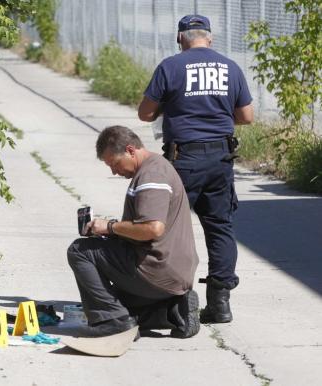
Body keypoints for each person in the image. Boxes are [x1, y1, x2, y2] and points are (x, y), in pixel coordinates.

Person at [138, 14, 254, 324]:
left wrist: (172, 104)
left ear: (180, 39)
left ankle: (169, 301)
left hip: (183, 159)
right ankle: (220, 302)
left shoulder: (170, 67)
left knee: (168, 229)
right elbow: (246, 116)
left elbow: (145, 114)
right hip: (220, 159)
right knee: (220, 228)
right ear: (210, 38)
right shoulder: (230, 67)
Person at [67, 126, 200, 338]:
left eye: (115, 163)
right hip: (174, 271)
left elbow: (153, 229)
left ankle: (113, 321)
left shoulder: (151, 176)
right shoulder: (158, 166)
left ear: (130, 150)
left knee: (79, 250)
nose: (114, 171)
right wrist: (112, 232)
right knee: (123, 303)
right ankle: (174, 310)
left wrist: (109, 227)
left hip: (156, 268)